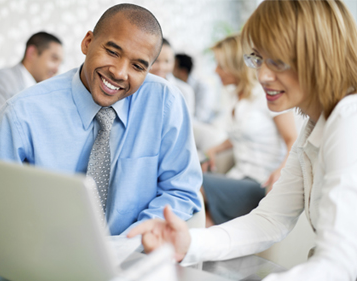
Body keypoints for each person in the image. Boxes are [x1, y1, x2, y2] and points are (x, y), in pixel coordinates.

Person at [128, 0, 357, 280]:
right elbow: (269, 220)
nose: (262, 75)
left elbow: (340, 264)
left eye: (278, 61)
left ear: (320, 55)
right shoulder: (314, 127)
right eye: (258, 59)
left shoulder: (349, 119)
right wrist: (189, 242)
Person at [0, 4, 202, 235]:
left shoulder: (164, 104)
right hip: (46, 256)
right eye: (112, 52)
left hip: (135, 254)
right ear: (87, 42)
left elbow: (181, 190)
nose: (119, 73)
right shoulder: (22, 114)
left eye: (138, 66)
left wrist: (134, 241)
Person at [202, 34, 297, 225]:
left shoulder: (267, 96)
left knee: (191, 181)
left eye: (220, 65)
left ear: (234, 66)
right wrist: (214, 150)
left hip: (260, 183)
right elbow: (239, 135)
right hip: (238, 175)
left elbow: (292, 139)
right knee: (199, 208)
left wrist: (282, 170)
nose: (216, 70)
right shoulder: (234, 97)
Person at [0, 31, 63, 126]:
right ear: (32, 53)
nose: (57, 69)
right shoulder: (0, 80)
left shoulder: (48, 92)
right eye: (53, 59)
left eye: (60, 63)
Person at [150, 38, 195, 116]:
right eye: (156, 60)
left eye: (167, 61)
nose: (161, 67)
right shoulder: (136, 86)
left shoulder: (184, 91)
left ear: (174, 62)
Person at [173, 54, 214, 123]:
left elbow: (201, 117)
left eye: (173, 68)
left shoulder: (202, 87)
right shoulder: (174, 85)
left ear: (183, 72)